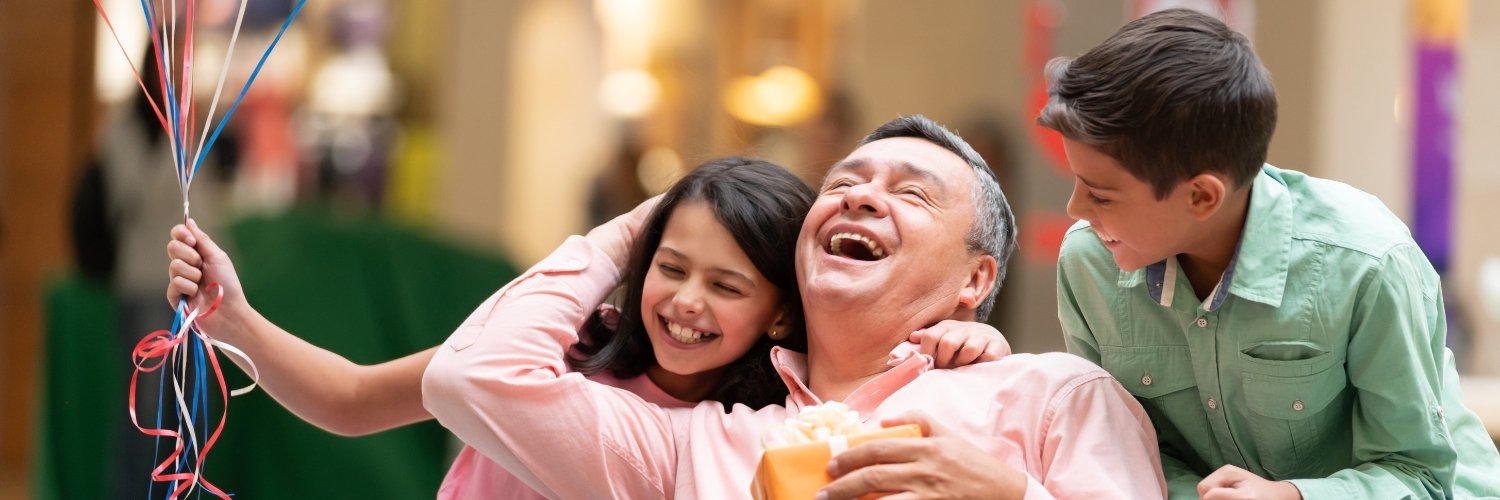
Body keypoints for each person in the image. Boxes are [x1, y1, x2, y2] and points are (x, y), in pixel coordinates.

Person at [166, 156, 1008, 498]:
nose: (686, 302)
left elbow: (891, 389)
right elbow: (352, 400)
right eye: (669, 268)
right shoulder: (568, 347)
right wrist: (232, 318)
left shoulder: (757, 432)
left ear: (780, 309)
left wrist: (970, 342)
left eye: (725, 285)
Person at [421, 115, 1167, 499]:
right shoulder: (695, 441)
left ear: (974, 281)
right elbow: (471, 379)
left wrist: (1005, 495)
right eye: (843, 184)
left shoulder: (1051, 397)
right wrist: (631, 236)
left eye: (909, 193)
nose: (863, 195)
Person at [1040, 8, 1500, 499]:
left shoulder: (1367, 263)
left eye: (1102, 195)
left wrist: (1292, 496)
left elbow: (1422, 476)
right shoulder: (1089, 264)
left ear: (1202, 196)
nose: (1075, 210)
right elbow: (1112, 450)